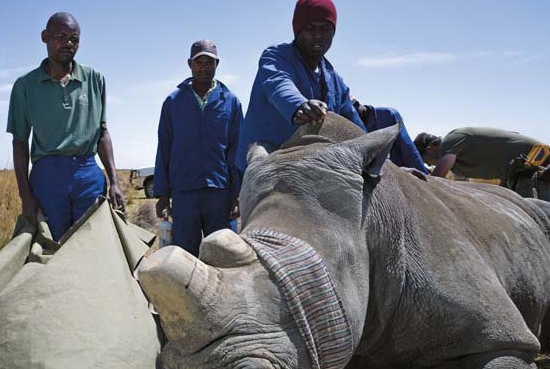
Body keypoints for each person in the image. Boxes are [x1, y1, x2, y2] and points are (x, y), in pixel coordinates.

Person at [7, 12, 124, 241]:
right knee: (51, 247)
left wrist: (114, 182)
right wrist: (25, 196)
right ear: (45, 37)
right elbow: (20, 141)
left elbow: (102, 132)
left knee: (93, 245)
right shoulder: (25, 86)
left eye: (75, 39)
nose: (69, 43)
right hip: (47, 176)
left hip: (88, 174)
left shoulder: (94, 79)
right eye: (61, 36)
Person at [236, 0, 365, 172]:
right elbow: (279, 83)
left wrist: (384, 160)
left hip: (304, 167)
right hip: (263, 163)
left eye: (325, 29)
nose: (318, 35)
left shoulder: (334, 78)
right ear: (297, 31)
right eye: (310, 28)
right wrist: (299, 105)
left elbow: (354, 124)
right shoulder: (275, 56)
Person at [153, 40, 243, 257]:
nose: (204, 67)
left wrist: (237, 194)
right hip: (185, 193)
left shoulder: (230, 102)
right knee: (184, 259)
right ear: (189, 64)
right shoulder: (173, 102)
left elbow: (236, 151)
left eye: (209, 62)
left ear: (217, 64)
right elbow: (164, 147)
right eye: (198, 62)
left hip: (219, 193)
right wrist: (162, 194)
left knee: (223, 256)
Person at [414, 128, 549, 181]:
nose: (429, 164)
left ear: (430, 147)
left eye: (425, 160)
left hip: (538, 160)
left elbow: (437, 179)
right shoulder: (456, 165)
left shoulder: (450, 141)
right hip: (518, 173)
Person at [352, 98, 429, 174]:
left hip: (401, 175)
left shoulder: (388, 115)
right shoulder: (354, 127)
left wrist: (424, 176)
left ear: (357, 104)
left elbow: (408, 149)